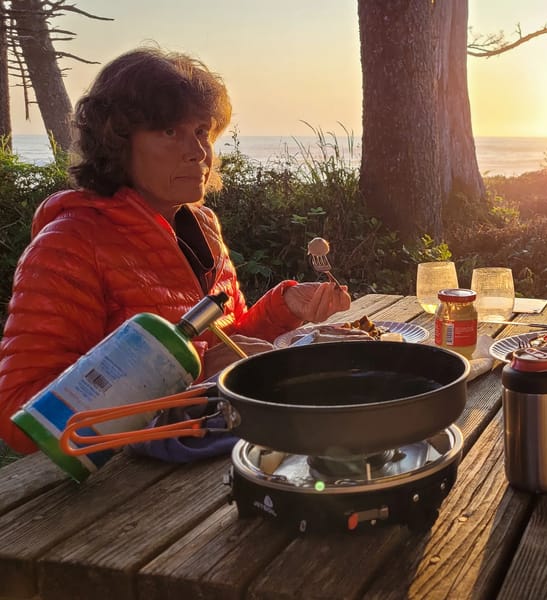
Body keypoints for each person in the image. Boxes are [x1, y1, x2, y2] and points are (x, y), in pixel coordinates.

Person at [0, 47, 351, 454]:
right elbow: (21, 417)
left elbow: (226, 342)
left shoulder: (200, 225)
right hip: (122, 491)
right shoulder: (69, 245)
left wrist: (284, 307)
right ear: (116, 143)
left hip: (212, 452)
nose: (198, 152)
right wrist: (191, 375)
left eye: (202, 131)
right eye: (170, 131)